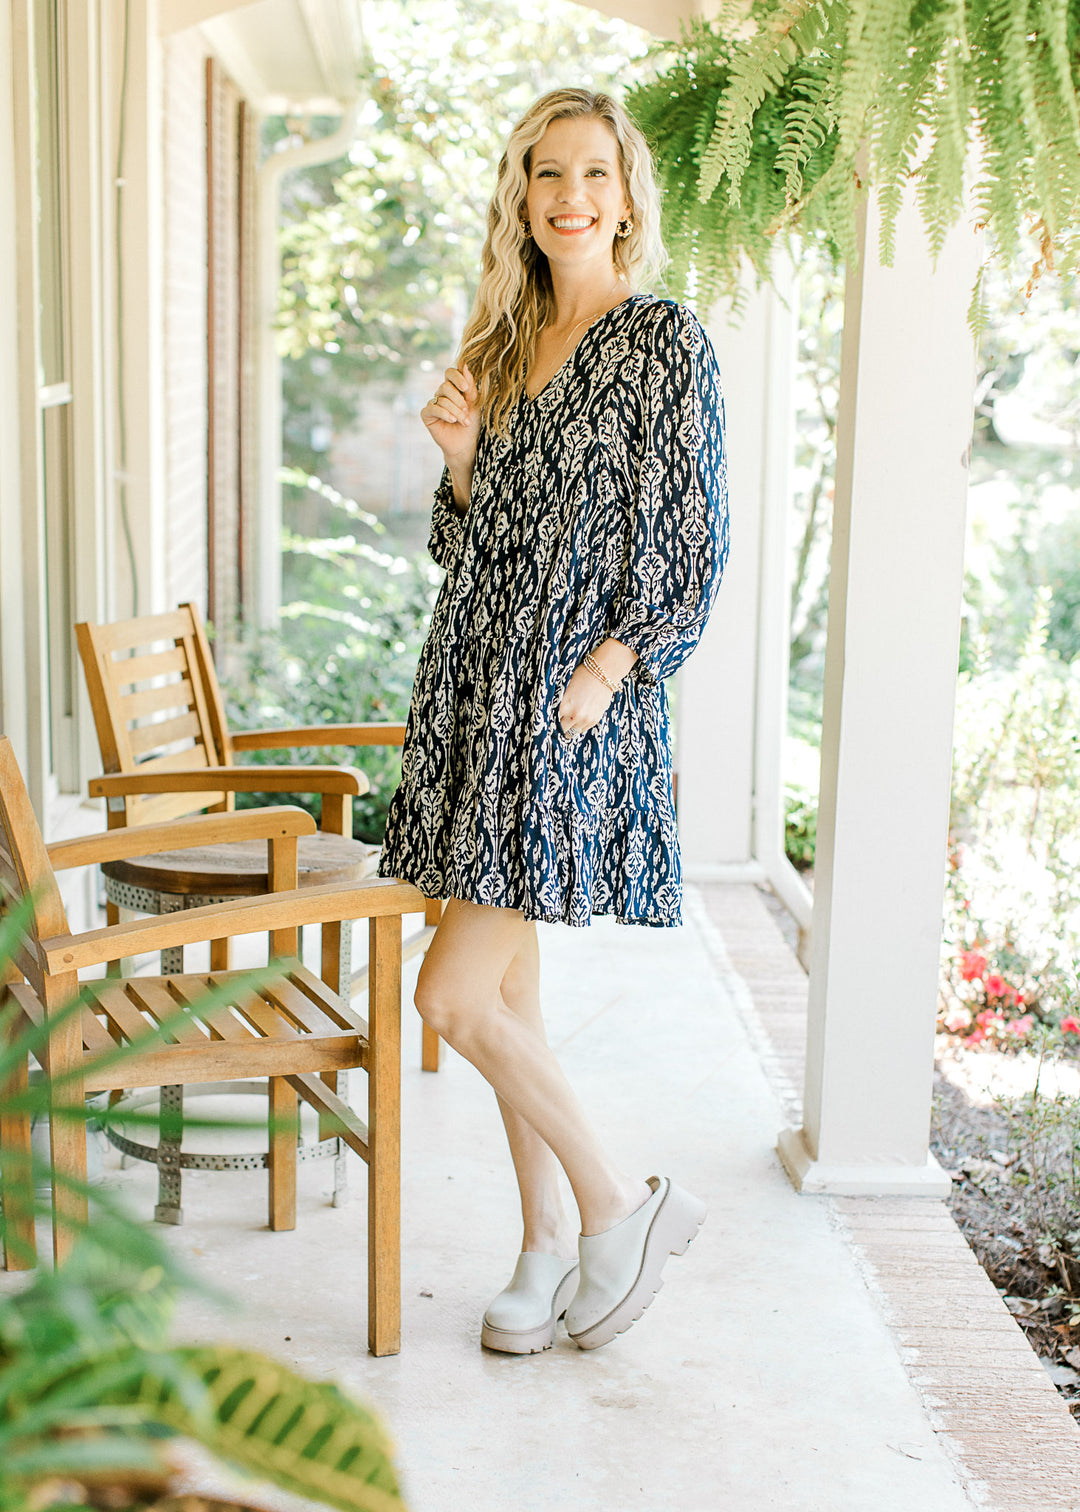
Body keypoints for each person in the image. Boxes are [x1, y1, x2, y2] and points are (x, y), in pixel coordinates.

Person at [377, 87, 729, 1355]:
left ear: (627, 197)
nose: (570, 196)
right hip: (477, 690)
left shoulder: (662, 341)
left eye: (593, 174)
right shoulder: (505, 336)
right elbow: (470, 550)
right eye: (547, 174)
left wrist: (613, 665)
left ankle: (619, 1204)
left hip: (571, 704)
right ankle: (541, 1245)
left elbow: (692, 537)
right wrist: (463, 460)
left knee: (451, 996)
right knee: (508, 995)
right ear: (522, 197)